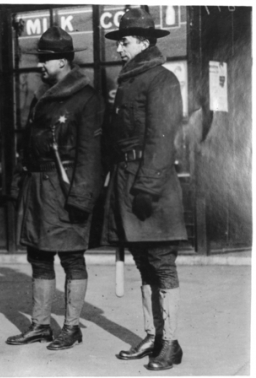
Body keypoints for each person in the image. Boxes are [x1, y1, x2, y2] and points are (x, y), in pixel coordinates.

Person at [6, 26, 104, 351]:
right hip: (39, 189)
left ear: (63, 62)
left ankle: (72, 327)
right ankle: (39, 325)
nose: (40, 66)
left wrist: (81, 198)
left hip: (66, 189)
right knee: (39, 257)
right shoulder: (41, 97)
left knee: (72, 258)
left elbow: (91, 156)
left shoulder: (86, 98)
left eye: (45, 60)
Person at [102, 8, 187, 371]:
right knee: (143, 263)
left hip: (151, 185)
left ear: (144, 42)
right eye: (120, 42)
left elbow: (162, 138)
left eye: (124, 42)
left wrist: (147, 188)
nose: (119, 49)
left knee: (162, 264)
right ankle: (153, 336)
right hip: (126, 180)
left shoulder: (162, 80)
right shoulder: (128, 82)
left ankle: (171, 343)